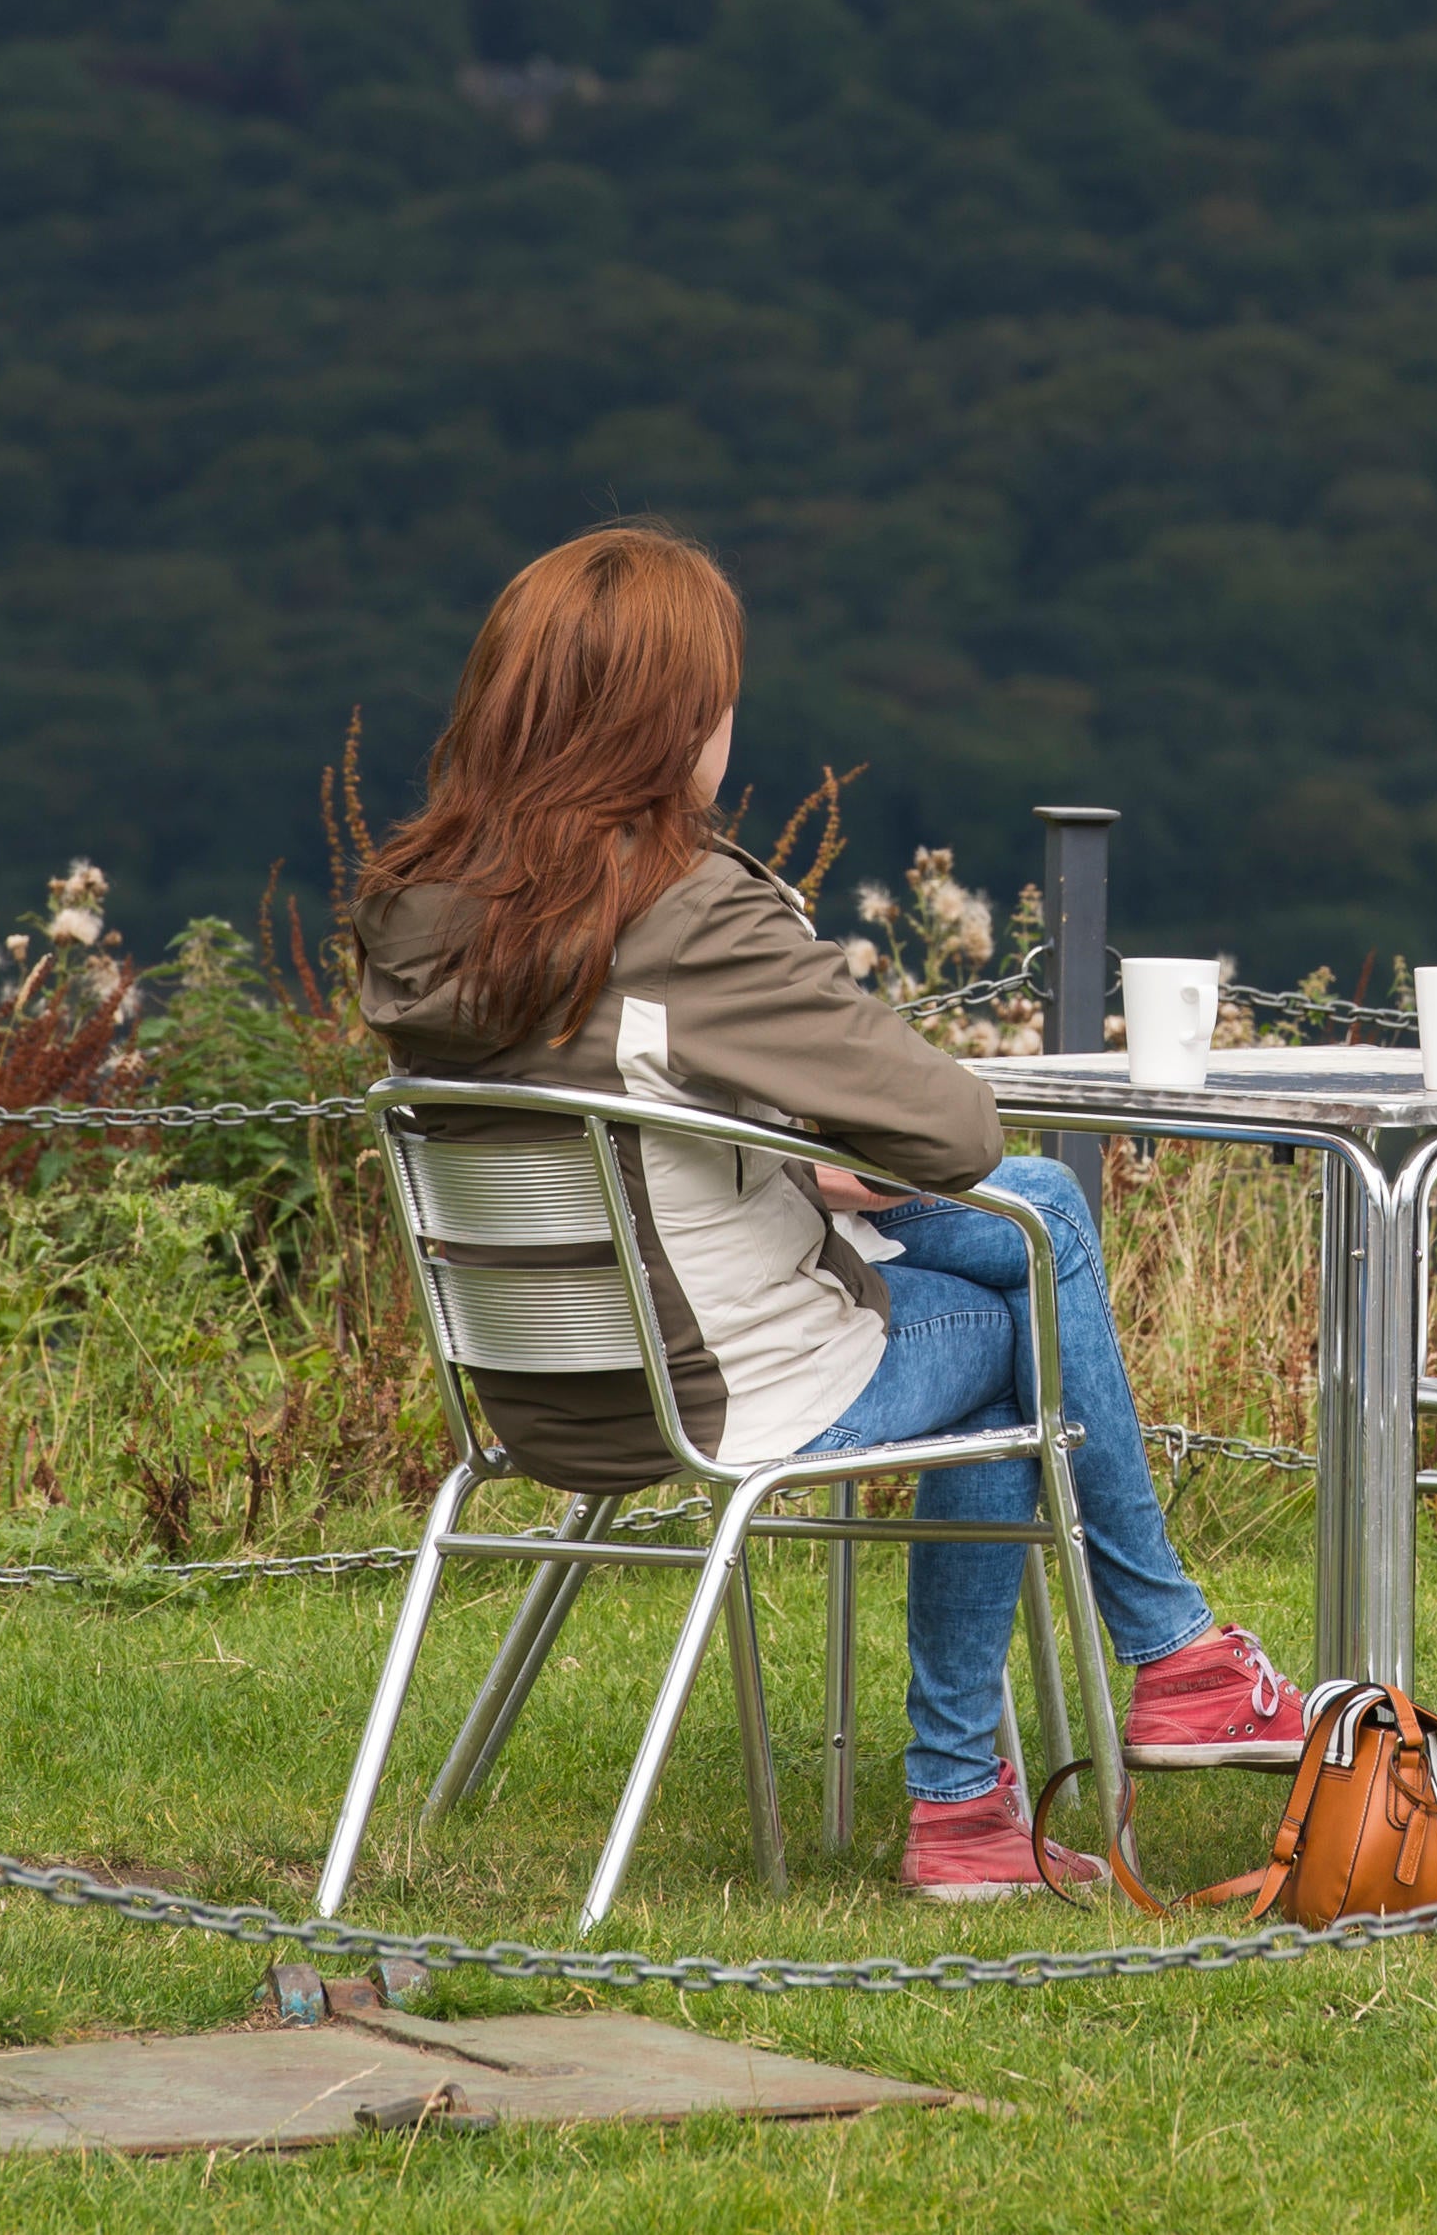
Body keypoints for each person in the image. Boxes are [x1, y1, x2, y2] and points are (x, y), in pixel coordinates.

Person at [353, 524, 1306, 1902]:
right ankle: (1123, 1696)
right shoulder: (683, 910)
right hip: (718, 1387)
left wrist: (787, 1158)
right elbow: (955, 1128)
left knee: (1029, 1221)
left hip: (534, 1385)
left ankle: (1134, 1699)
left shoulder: (413, 909)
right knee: (1015, 1293)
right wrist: (823, 1142)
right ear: (670, 721)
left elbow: (606, 1112)